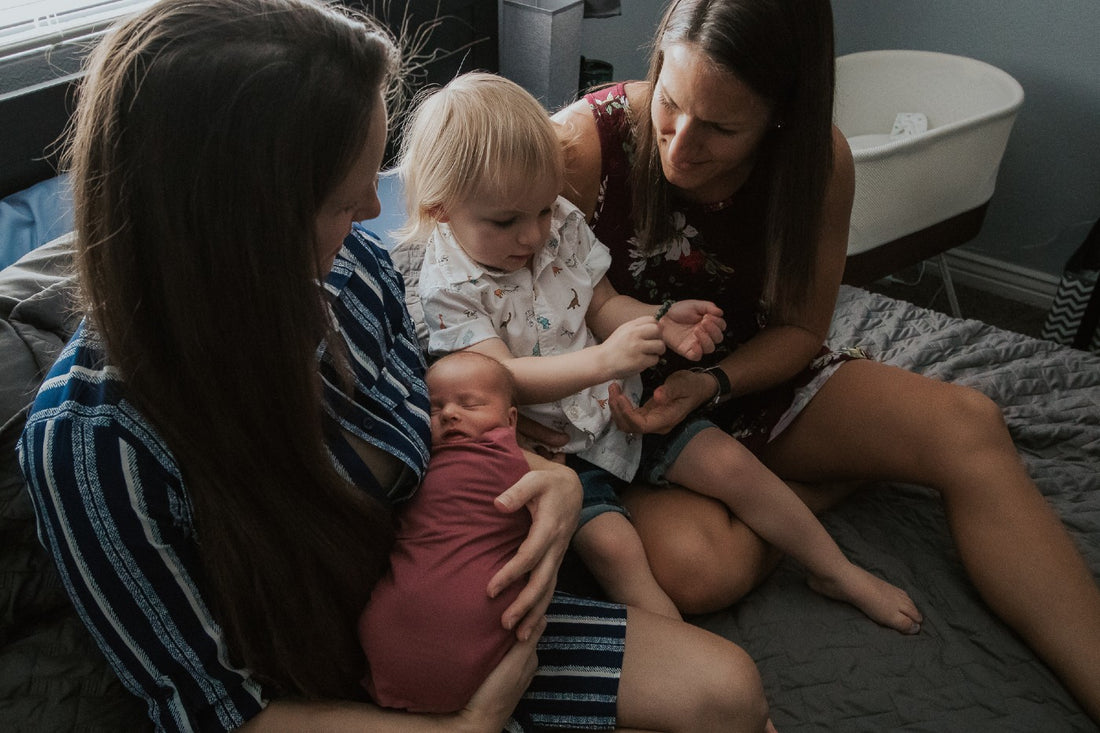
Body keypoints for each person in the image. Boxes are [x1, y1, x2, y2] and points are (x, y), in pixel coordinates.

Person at [16, 0, 776, 730]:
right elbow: (221, 712)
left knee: (731, 694)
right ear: (239, 226)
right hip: (334, 694)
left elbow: (452, 434)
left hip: (458, 601)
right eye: (346, 204)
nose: (374, 218)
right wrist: (467, 725)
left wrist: (550, 483)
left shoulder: (353, 273)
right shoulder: (95, 445)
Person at [552, 0, 1100, 722]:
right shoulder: (583, 145)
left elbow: (802, 329)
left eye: (720, 128)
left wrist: (713, 379)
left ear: (782, 115)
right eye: (672, 102)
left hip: (742, 374)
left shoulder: (818, 163)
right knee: (697, 568)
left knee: (968, 423)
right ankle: (812, 494)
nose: (682, 145)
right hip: (618, 417)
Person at [399, 71, 921, 634]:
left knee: (731, 465)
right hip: (560, 454)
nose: (532, 236)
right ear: (441, 211)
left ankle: (835, 569)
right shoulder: (447, 287)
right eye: (507, 222)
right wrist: (604, 361)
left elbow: (603, 304)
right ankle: (697, 666)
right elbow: (500, 377)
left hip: (625, 408)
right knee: (616, 549)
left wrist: (656, 321)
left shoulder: (556, 226)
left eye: (544, 210)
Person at [358, 351, 531, 713]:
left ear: (510, 420)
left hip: (473, 631)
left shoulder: (505, 457)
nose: (450, 413)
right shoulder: (422, 458)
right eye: (435, 410)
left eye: (470, 404)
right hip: (400, 625)